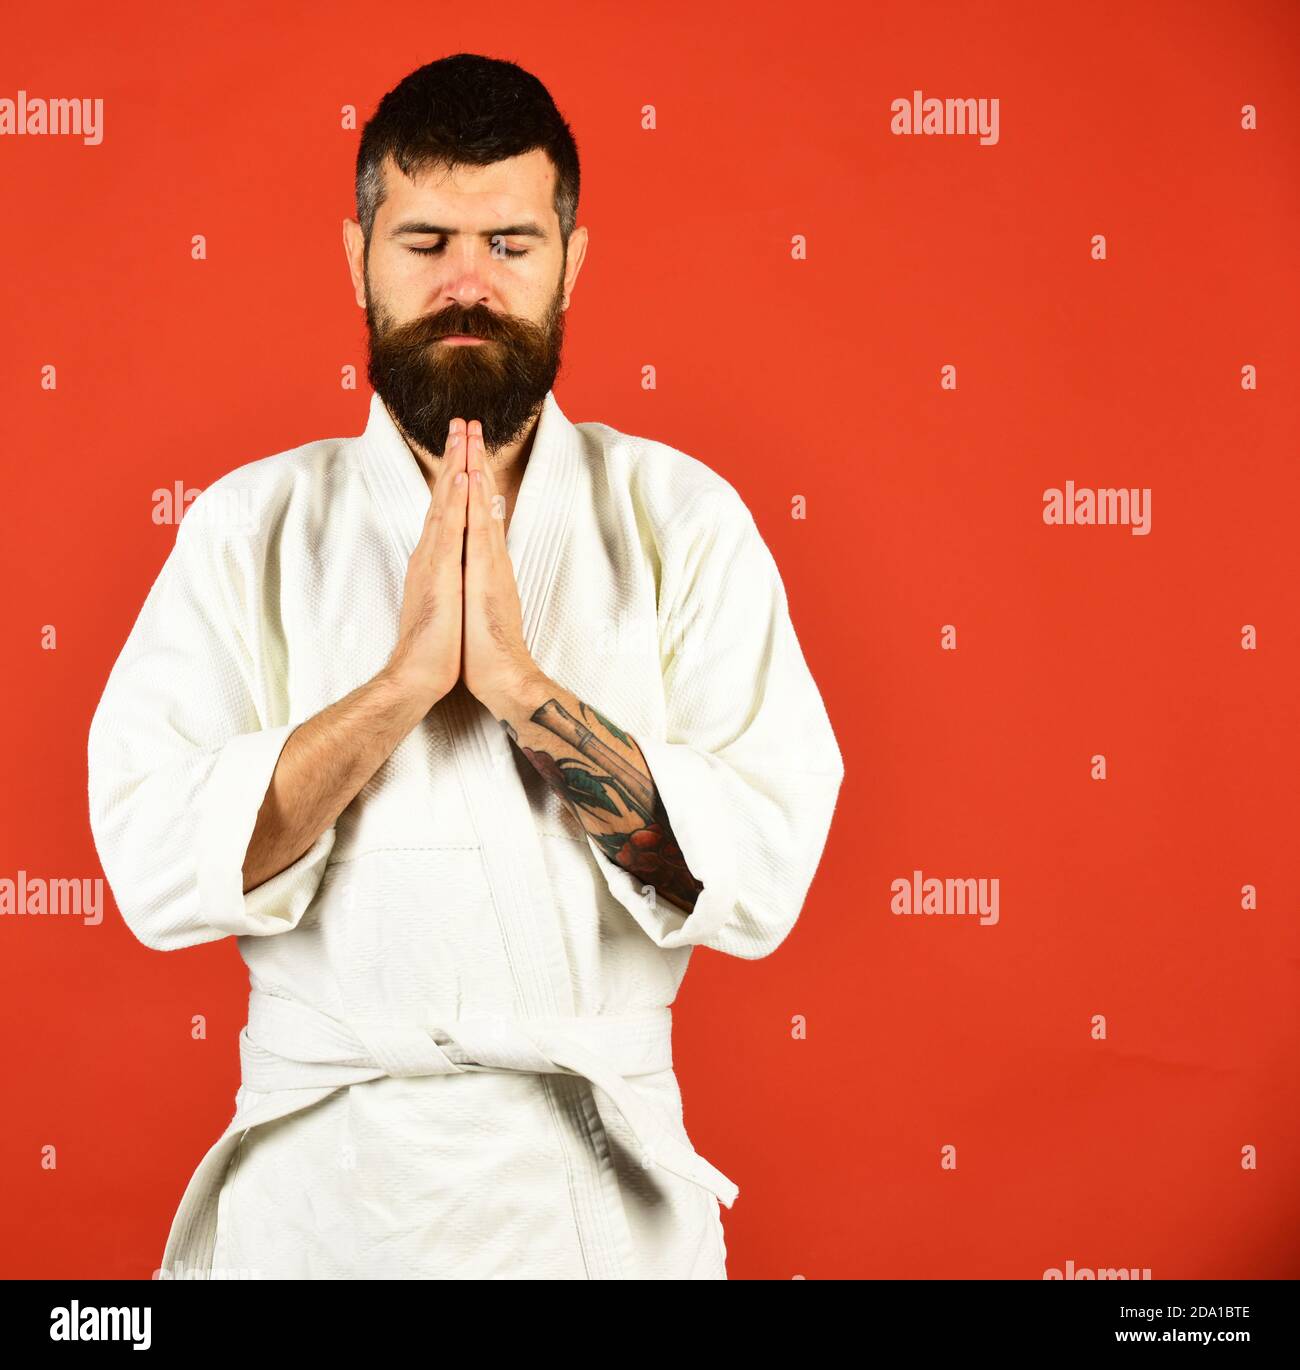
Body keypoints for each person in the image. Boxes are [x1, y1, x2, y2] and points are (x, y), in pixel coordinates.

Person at [87, 52, 844, 1281]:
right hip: (317, 1199)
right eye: (427, 239)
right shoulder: (250, 522)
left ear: (571, 261)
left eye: (510, 243)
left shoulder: (679, 516)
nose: (468, 285)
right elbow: (156, 853)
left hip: (592, 1197)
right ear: (356, 257)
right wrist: (395, 692)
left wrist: (521, 691)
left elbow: (759, 861)